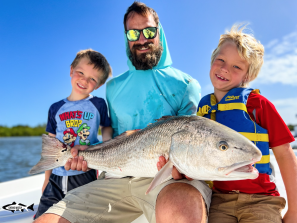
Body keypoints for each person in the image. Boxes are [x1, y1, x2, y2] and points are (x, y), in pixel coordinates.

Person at [34, 2, 211, 223]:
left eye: (148, 31)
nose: (142, 39)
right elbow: (114, 139)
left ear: (160, 32)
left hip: (168, 181)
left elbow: (190, 142)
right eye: (133, 33)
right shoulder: (113, 87)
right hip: (115, 177)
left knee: (182, 208)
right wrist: (85, 153)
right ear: (126, 37)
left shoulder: (187, 84)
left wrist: (185, 171)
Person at [197, 24, 297, 223]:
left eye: (237, 66)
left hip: (261, 201)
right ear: (212, 61)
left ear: (248, 76)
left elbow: (285, 154)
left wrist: (295, 211)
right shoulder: (204, 107)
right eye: (221, 60)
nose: (224, 69)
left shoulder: (258, 105)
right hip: (219, 200)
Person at [34, 49, 113, 219]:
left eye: (92, 79)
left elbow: (106, 129)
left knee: (84, 218)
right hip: (55, 179)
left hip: (85, 175)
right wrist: (46, 180)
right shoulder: (55, 108)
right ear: (71, 70)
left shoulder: (98, 104)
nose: (84, 80)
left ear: (98, 85)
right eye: (80, 73)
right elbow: (50, 146)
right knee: (42, 217)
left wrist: (102, 151)